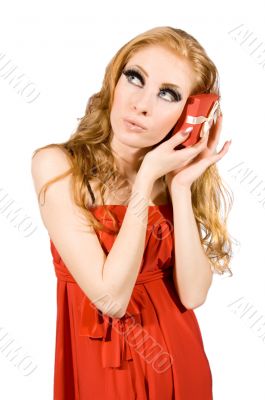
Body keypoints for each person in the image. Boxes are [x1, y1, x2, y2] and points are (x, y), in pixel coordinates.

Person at [31, 26, 234, 399]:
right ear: (114, 79)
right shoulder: (57, 166)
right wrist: (144, 184)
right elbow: (111, 298)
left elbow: (193, 295)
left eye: (168, 94)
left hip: (180, 365)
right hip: (103, 371)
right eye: (135, 77)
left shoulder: (171, 181)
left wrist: (180, 187)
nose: (142, 104)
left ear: (190, 116)